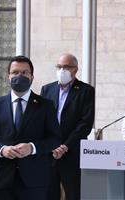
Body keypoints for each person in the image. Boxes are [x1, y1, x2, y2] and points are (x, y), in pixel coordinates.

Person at [0, 56, 61, 200]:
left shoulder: (45, 105)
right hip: (3, 179)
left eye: (24, 73)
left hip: (35, 181)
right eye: (15, 72)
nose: (19, 76)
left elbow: (55, 139)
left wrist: (32, 147)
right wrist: (2, 149)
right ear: (8, 77)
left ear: (31, 77)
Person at [40, 53, 95, 200]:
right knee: (48, 194)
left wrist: (65, 146)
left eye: (66, 67)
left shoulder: (86, 91)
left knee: (74, 194)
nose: (62, 70)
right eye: (59, 67)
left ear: (75, 70)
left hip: (72, 154)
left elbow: (85, 124)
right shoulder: (47, 90)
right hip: (49, 154)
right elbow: (41, 120)